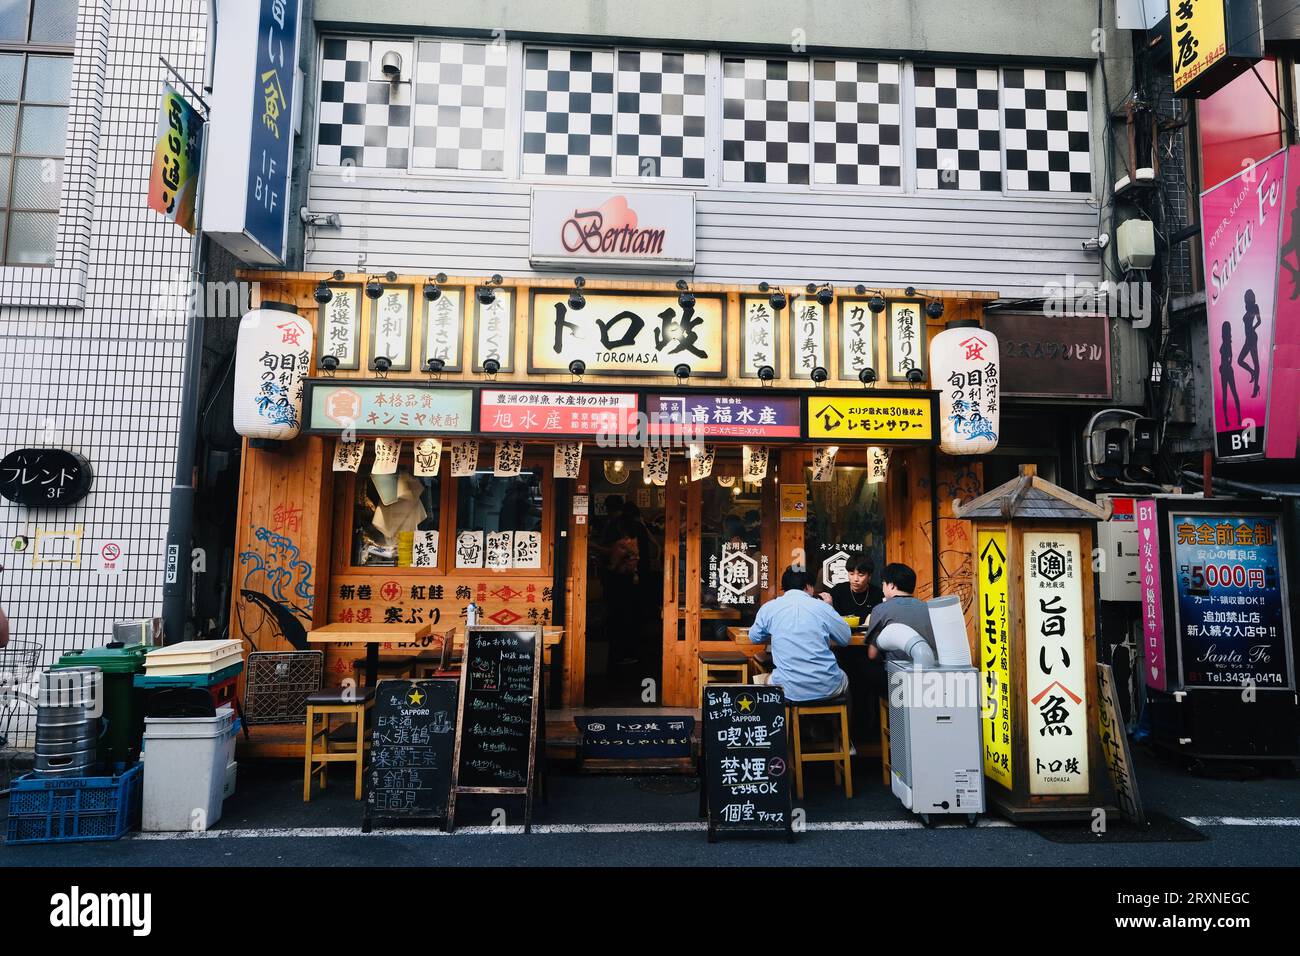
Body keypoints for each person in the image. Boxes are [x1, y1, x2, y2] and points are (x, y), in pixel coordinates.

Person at [749, 566, 851, 702]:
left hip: (788, 689)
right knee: (845, 678)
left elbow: (754, 637)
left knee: (765, 677)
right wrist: (830, 607)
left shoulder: (769, 608)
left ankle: (781, 721)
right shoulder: (823, 607)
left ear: (784, 587)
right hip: (827, 686)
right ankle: (843, 722)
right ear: (808, 586)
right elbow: (845, 638)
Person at [865, 563, 938, 666]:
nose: (882, 588)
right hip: (932, 672)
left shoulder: (880, 610)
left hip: (898, 674)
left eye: (883, 584)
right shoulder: (930, 608)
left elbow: (872, 654)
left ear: (891, 585)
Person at [1237, 289, 1262, 398]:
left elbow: (1259, 321)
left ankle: (1256, 387)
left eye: (1247, 298)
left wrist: (1253, 328)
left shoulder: (1255, 307)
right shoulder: (1248, 308)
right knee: (1240, 360)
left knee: (1256, 362)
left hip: (1252, 337)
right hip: (1248, 339)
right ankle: (1252, 372)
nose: (1246, 301)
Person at [1218, 321, 1241, 427]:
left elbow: (1229, 358)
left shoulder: (1226, 343)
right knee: (1229, 394)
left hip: (1225, 370)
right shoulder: (1227, 342)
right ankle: (1232, 418)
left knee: (1227, 394)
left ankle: (1234, 417)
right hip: (1226, 370)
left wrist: (1223, 366)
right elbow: (1230, 358)